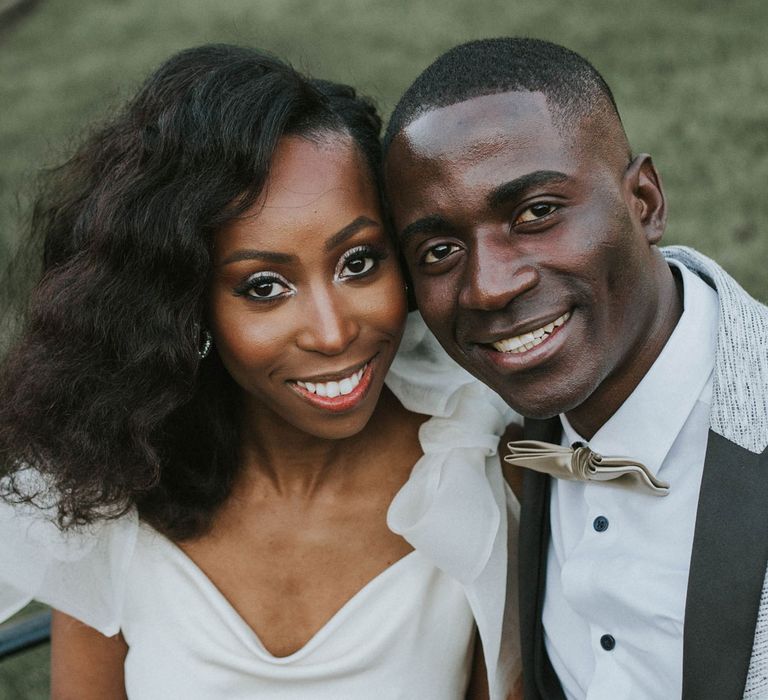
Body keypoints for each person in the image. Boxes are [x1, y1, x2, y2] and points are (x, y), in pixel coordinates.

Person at [0, 44, 521, 699]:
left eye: (358, 263)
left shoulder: (475, 467)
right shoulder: (110, 484)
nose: (332, 332)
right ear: (185, 304)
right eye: (264, 286)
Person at [383, 37, 768, 700]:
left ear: (644, 201)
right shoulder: (501, 427)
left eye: (536, 213)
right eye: (440, 250)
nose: (489, 288)